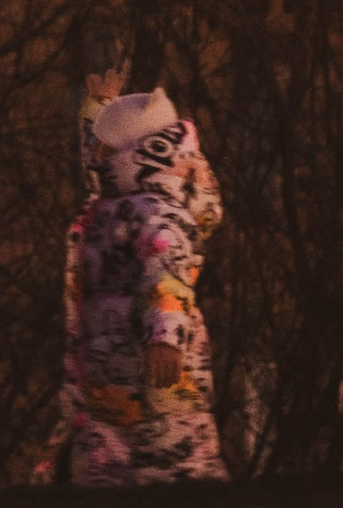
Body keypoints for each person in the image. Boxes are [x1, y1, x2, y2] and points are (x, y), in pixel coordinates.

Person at [48, 76, 228, 486]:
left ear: (133, 152)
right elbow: (97, 166)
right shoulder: (122, 196)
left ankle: (186, 499)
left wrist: (165, 336)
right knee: (113, 444)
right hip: (112, 355)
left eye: (106, 143)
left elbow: (168, 270)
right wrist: (98, 108)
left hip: (146, 353)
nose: (97, 152)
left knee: (166, 441)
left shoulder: (154, 210)